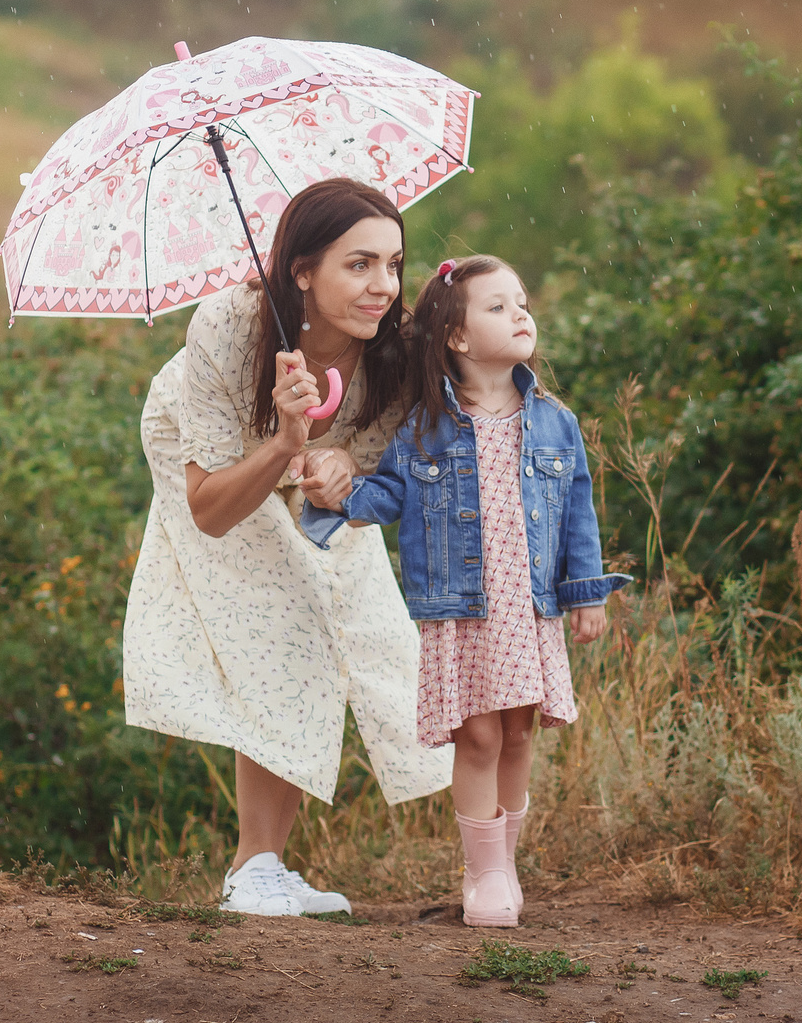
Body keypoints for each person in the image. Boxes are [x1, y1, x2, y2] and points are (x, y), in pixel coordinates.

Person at [122, 177, 453, 917]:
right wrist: (285, 443)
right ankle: (253, 866)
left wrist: (344, 472)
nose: (383, 286)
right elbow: (209, 508)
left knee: (344, 623)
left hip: (298, 459)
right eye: (359, 264)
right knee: (286, 619)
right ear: (301, 269)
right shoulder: (231, 326)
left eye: (394, 265)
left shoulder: (392, 352)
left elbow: (374, 487)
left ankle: (271, 865)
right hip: (212, 456)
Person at [297, 254, 627, 927]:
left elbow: (578, 513)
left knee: (519, 732)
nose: (521, 313)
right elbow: (384, 494)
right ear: (458, 337)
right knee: (477, 736)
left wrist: (585, 591)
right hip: (464, 609)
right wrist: (336, 494)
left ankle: (505, 863)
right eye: (499, 306)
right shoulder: (426, 428)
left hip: (529, 605)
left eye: (523, 301)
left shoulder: (556, 421)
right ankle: (484, 873)